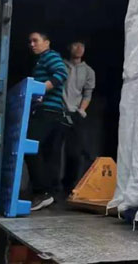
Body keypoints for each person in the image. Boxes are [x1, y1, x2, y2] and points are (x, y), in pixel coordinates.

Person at [25, 31, 68, 211]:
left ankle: (42, 192)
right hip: (55, 113)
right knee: (50, 155)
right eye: (30, 42)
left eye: (35, 41)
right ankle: (51, 194)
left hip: (47, 112)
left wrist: (41, 89)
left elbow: (62, 73)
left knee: (29, 147)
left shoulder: (49, 56)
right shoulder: (42, 60)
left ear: (47, 42)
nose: (32, 44)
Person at [62, 40, 96, 195]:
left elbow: (88, 94)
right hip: (58, 111)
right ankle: (50, 190)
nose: (79, 48)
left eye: (82, 45)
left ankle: (69, 187)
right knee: (53, 151)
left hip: (76, 114)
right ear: (69, 47)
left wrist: (81, 110)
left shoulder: (88, 71)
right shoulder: (61, 65)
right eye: (76, 45)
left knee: (75, 152)